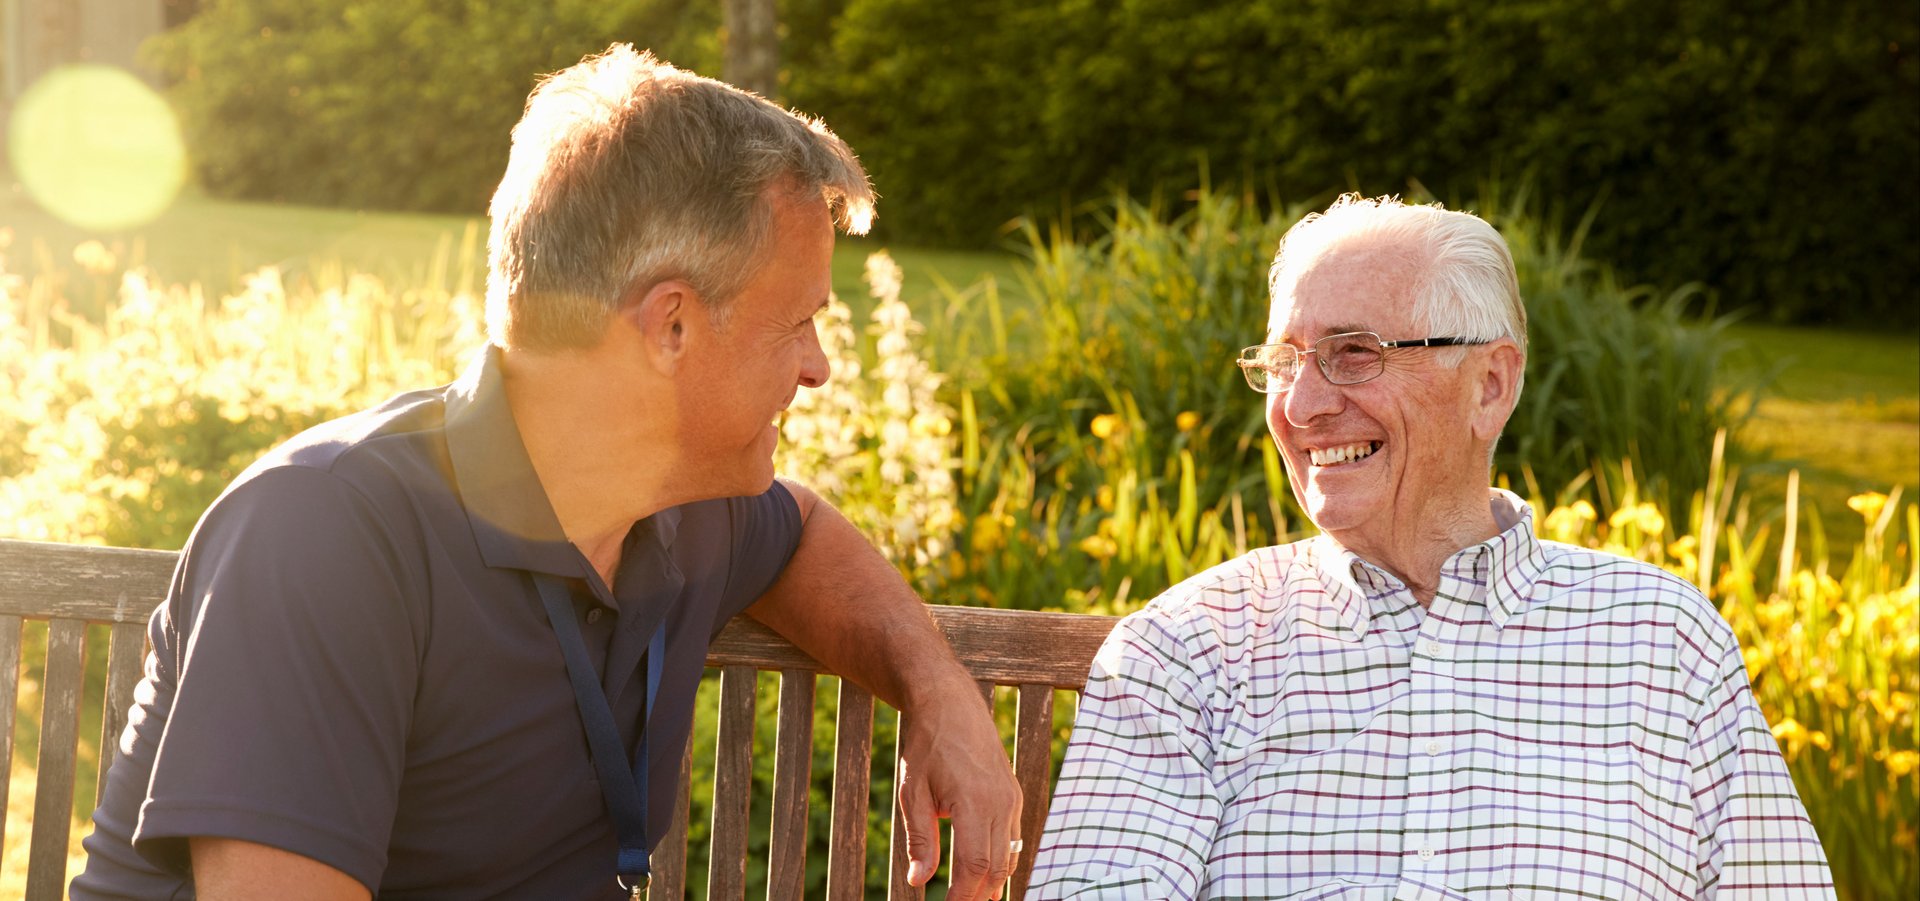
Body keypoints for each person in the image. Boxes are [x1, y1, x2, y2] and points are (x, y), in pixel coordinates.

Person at [72, 45, 1021, 901]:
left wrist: (942, 695)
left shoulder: (678, 508)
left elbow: (803, 531)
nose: (818, 366)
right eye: (798, 322)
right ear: (672, 326)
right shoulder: (324, 533)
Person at [1028, 195, 1833, 899]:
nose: (1302, 405)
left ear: (1491, 384)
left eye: (1354, 353)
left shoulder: (1662, 638)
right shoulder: (1188, 648)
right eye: (1283, 361)